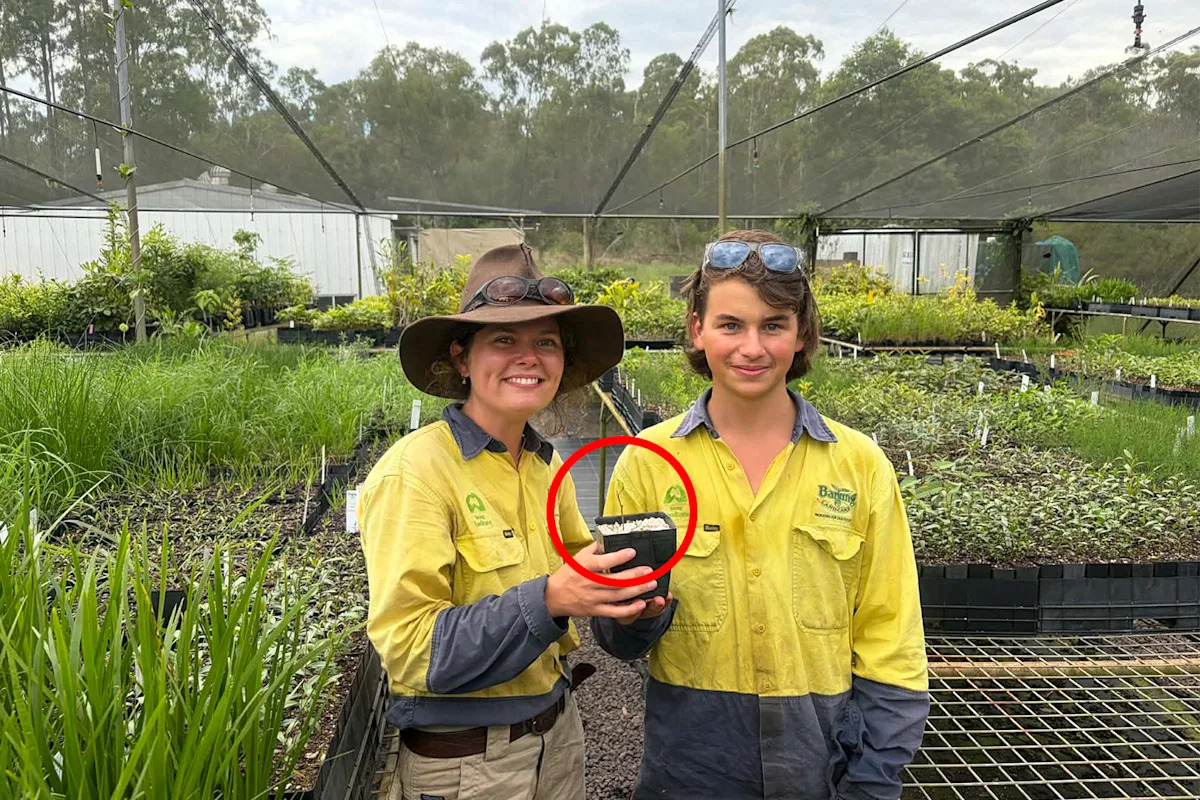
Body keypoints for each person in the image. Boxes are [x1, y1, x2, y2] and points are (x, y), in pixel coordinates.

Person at [592, 229, 929, 800]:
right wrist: (632, 616)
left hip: (821, 766)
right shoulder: (647, 463)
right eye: (730, 325)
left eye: (773, 325)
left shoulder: (859, 465)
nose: (752, 347)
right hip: (689, 769)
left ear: (801, 334)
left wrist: (873, 778)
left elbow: (890, 636)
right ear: (697, 330)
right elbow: (617, 638)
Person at [359, 243, 671, 800]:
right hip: (466, 768)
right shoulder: (415, 473)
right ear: (462, 358)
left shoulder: (545, 468)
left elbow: (583, 594)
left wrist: (634, 611)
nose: (528, 358)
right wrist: (548, 599)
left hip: (559, 744)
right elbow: (409, 649)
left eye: (545, 342)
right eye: (504, 340)